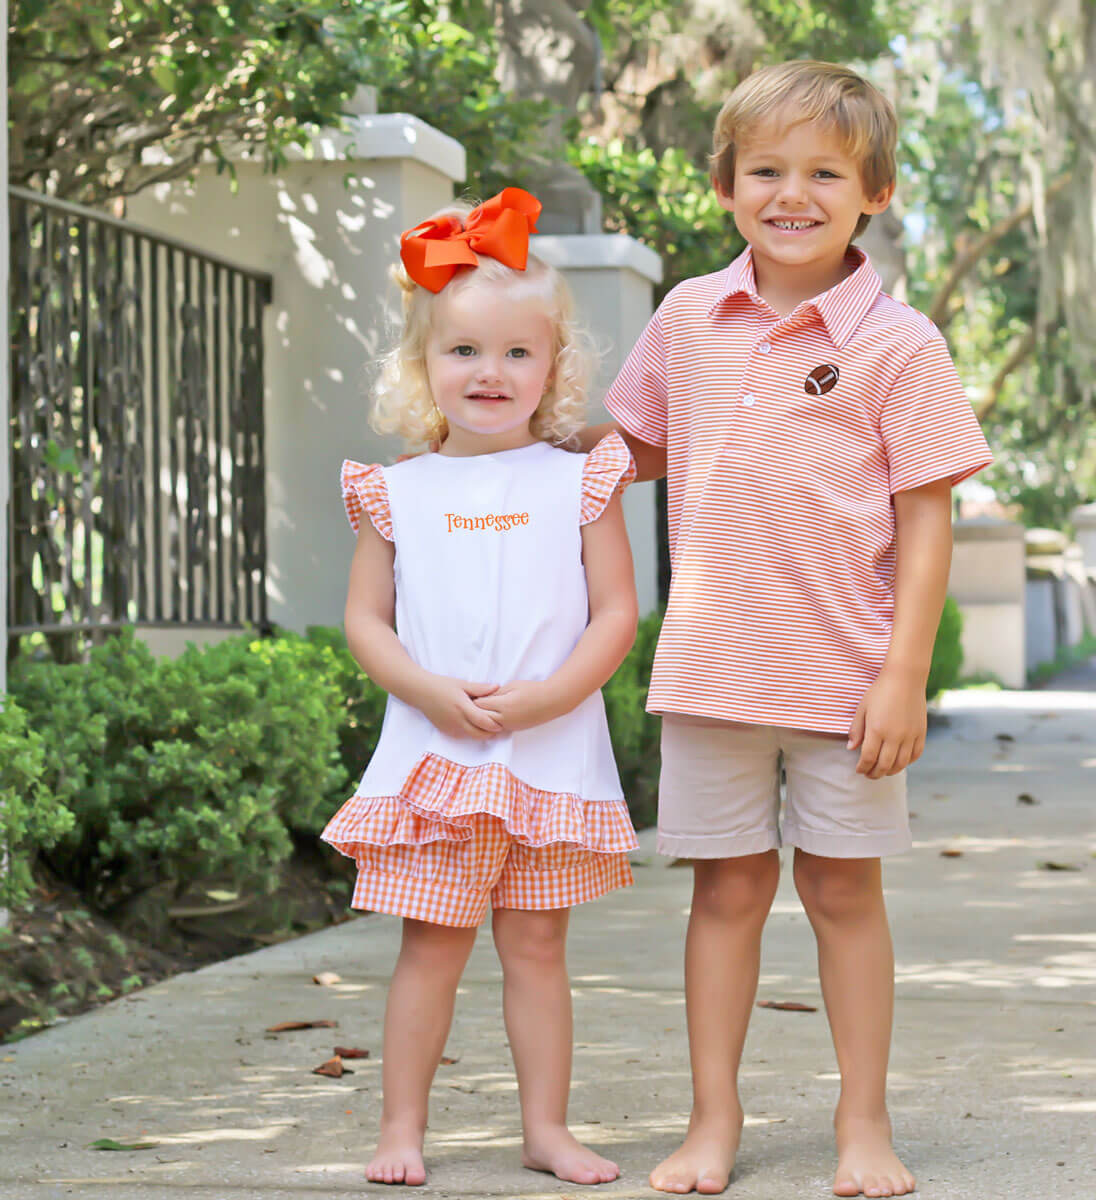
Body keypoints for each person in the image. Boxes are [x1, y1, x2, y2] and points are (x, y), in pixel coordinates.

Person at [581, 61, 993, 1197]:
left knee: (846, 893)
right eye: (766, 169)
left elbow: (927, 517)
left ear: (877, 192)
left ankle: (864, 1124)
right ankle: (714, 1120)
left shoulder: (901, 343)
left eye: (824, 172)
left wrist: (903, 675)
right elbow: (641, 447)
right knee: (722, 894)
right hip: (712, 671)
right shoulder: (688, 317)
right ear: (726, 185)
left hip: (845, 679)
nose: (792, 193)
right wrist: (505, 456)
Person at [321, 187, 640, 1188]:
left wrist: (550, 697)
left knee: (538, 945)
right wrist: (423, 688)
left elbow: (616, 612)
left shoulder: (578, 480)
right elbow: (366, 619)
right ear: (423, 366)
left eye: (516, 352)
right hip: (436, 756)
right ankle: (400, 1129)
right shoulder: (397, 490)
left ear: (553, 366)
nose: (489, 372)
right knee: (433, 946)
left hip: (547, 755)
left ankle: (545, 1129)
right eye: (462, 351)